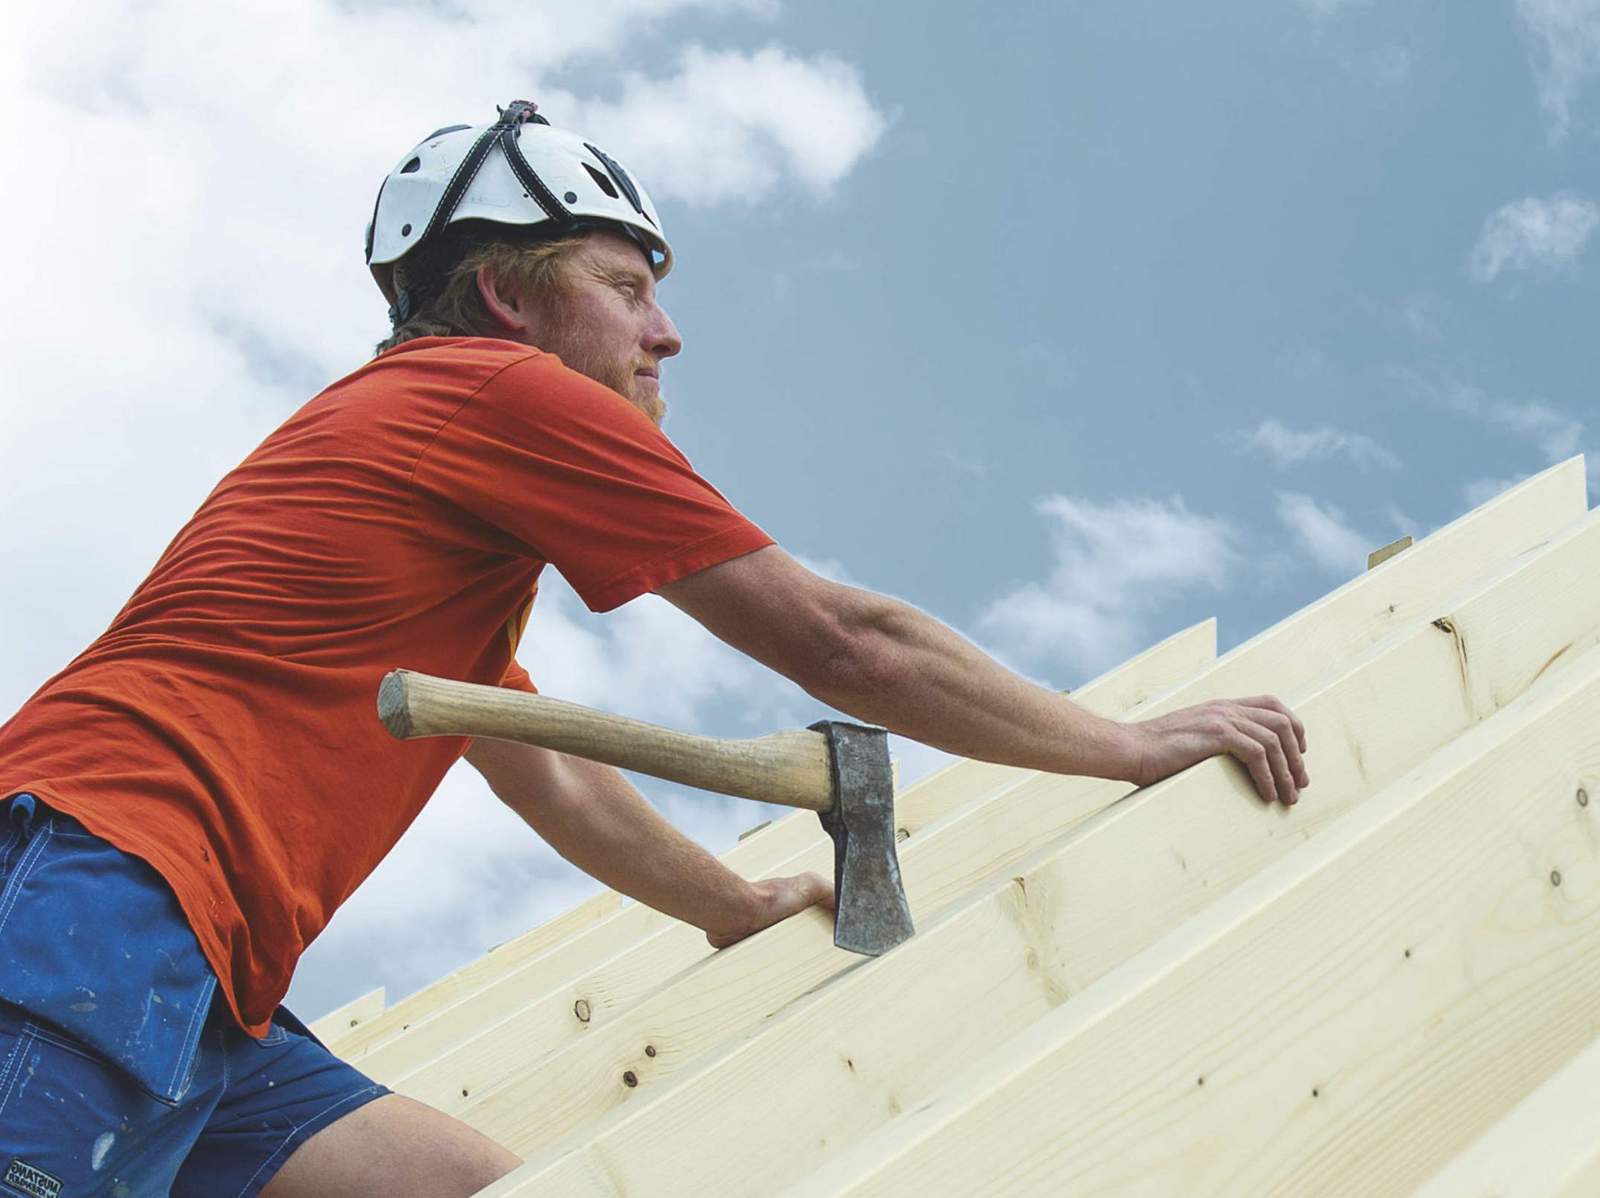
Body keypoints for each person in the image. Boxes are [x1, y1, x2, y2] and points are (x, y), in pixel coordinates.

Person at [0, 100, 1309, 1196]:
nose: (665, 333)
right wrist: (1129, 743)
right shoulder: (495, 391)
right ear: (508, 296)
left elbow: (537, 762)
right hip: (96, 892)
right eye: (624, 289)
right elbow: (841, 642)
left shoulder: (424, 504)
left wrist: (729, 905)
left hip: (207, 979)